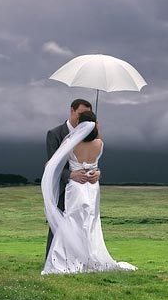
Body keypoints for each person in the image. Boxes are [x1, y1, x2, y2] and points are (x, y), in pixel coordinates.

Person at [41, 111, 136, 274]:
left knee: (73, 220)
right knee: (90, 221)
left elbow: (53, 163)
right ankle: (90, 257)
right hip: (92, 185)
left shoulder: (71, 142)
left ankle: (68, 259)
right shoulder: (99, 143)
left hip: (76, 185)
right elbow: (94, 162)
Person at [44, 99, 97, 259]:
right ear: (72, 111)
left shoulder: (90, 134)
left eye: (86, 116)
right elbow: (51, 164)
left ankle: (81, 258)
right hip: (61, 187)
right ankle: (52, 259)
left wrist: (97, 172)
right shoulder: (54, 134)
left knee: (84, 223)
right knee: (59, 224)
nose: (83, 120)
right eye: (81, 114)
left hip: (85, 187)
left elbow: (93, 158)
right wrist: (70, 175)